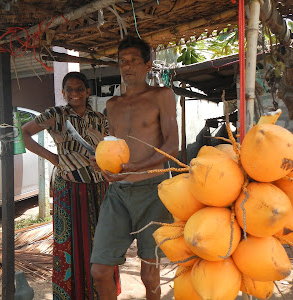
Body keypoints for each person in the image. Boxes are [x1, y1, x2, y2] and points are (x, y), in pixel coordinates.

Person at [90, 36, 179, 300]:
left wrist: (136, 167)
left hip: (152, 190)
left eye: (134, 61)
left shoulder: (161, 95)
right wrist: (104, 165)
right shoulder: (112, 105)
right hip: (117, 193)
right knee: (100, 270)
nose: (127, 67)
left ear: (147, 64)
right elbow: (114, 148)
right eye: (122, 62)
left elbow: (172, 146)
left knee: (149, 275)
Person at [21, 72, 120, 300]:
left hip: (99, 189)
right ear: (63, 92)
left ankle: (100, 292)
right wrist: (53, 158)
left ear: (87, 92)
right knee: (70, 244)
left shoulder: (99, 118)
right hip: (69, 188)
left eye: (79, 89)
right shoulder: (55, 115)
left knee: (102, 243)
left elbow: (109, 149)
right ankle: (73, 294)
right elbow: (24, 133)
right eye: (69, 89)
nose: (74, 94)